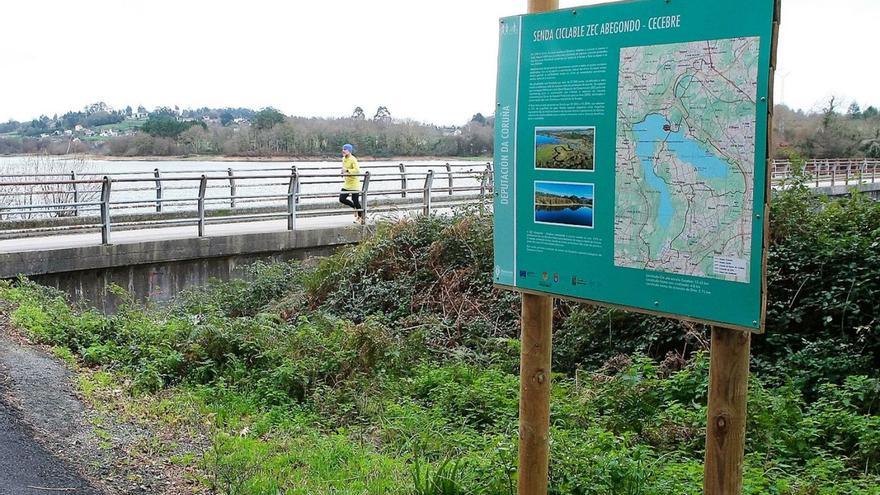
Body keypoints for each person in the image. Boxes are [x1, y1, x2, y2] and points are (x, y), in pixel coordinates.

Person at [339, 143, 363, 223]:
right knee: (342, 198)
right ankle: (354, 207)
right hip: (347, 182)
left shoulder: (353, 159)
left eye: (345, 149)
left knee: (355, 200)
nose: (343, 151)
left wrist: (347, 171)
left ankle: (361, 217)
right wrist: (342, 173)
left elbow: (357, 170)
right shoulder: (343, 159)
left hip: (354, 183)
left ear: (349, 151)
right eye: (343, 149)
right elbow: (344, 168)